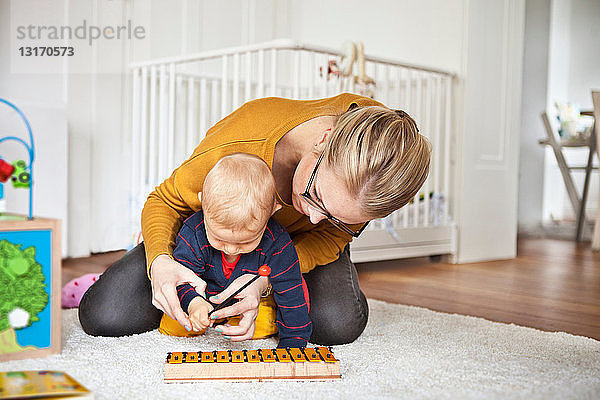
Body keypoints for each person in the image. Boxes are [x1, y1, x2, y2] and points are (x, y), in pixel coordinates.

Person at [79, 93, 431, 346]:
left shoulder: (381, 174)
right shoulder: (239, 145)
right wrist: (160, 263)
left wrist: (269, 279)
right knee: (105, 315)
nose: (311, 215)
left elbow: (331, 239)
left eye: (335, 217)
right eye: (315, 195)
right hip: (214, 239)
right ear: (323, 142)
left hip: (290, 251)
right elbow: (165, 200)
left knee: (336, 326)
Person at [159, 153, 311, 348]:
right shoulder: (193, 233)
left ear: (272, 212)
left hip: (249, 301)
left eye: (246, 242)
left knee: (266, 322)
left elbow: (291, 292)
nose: (231, 249)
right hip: (205, 297)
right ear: (202, 204)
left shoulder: (277, 241)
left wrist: (294, 342)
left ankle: (235, 318)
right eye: (218, 238)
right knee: (174, 322)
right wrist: (194, 302)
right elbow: (181, 278)